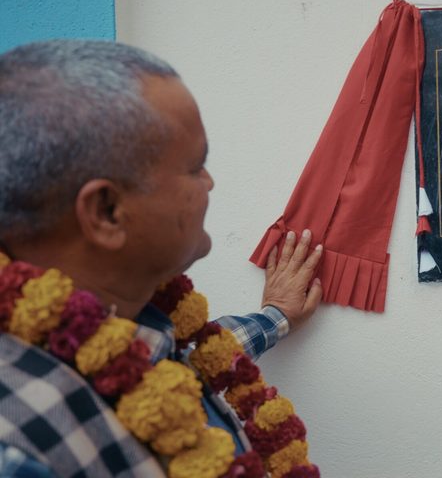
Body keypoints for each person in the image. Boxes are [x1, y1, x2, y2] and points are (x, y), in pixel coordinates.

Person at [0, 40, 324, 477]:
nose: (209, 182)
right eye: (195, 167)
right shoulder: (20, 447)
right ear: (107, 212)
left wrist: (276, 316)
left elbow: (191, 355)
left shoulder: (133, 321)